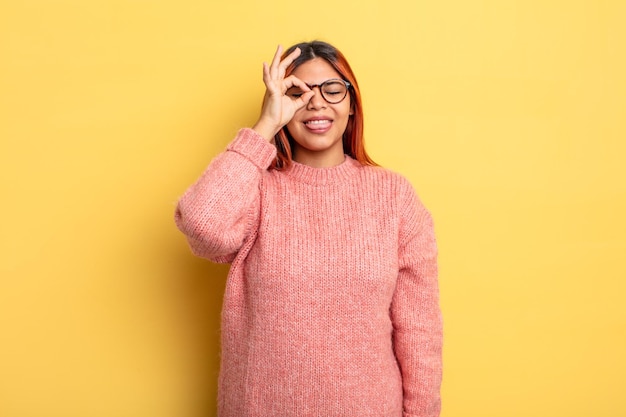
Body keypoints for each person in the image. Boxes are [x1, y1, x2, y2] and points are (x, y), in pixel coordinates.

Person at [175, 40, 442, 417]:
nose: (316, 103)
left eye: (332, 90)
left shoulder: (394, 196)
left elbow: (419, 332)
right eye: (297, 92)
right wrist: (265, 126)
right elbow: (203, 226)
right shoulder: (258, 189)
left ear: (352, 103)